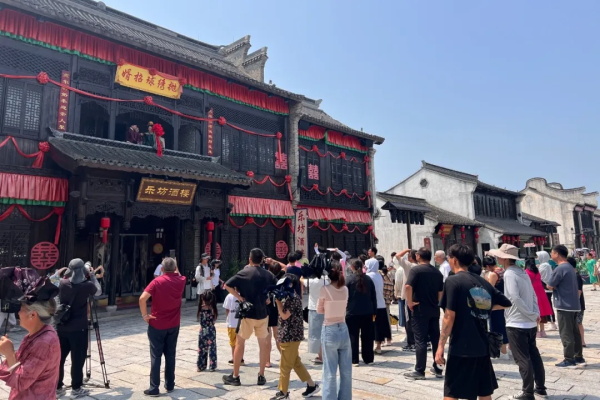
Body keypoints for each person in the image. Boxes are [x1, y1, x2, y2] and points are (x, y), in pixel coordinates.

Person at [435, 244, 512, 400]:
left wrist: (440, 346)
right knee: (484, 392)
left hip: (461, 345)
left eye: (449, 257)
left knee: (452, 392)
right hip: (482, 345)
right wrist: (481, 306)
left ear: (454, 260)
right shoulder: (482, 281)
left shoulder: (452, 281)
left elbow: (449, 316)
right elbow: (505, 303)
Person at [490, 246, 547, 400]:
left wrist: (530, 313)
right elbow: (533, 294)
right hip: (529, 322)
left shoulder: (509, 274)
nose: (498, 259)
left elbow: (514, 298)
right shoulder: (522, 272)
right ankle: (540, 387)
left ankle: (527, 392)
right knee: (533, 355)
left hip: (516, 322)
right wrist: (534, 312)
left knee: (522, 358)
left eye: (499, 256)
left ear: (504, 258)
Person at [223, 248, 277, 386]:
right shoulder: (268, 274)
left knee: (240, 342)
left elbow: (227, 285)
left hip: (247, 313)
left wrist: (239, 297)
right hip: (263, 313)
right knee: (263, 344)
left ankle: (235, 376)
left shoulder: (244, 272)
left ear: (250, 259)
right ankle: (261, 375)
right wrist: (269, 298)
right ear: (262, 260)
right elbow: (277, 287)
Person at [0, 277, 60, 400]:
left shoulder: (44, 342)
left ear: (32, 315)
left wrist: (9, 353)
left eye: (21, 309)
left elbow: (21, 382)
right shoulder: (37, 334)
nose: (18, 313)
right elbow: (22, 365)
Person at [138, 257, 186, 396]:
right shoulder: (181, 280)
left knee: (156, 355)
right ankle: (170, 384)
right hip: (174, 323)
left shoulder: (157, 281)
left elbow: (142, 298)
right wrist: (175, 264)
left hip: (157, 323)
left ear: (162, 269)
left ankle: (154, 387)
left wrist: (144, 315)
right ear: (175, 268)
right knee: (170, 354)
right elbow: (178, 273)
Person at [57, 258, 102, 399]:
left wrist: (61, 272)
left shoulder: (62, 283)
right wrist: (92, 275)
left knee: (59, 358)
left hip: (62, 326)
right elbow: (98, 292)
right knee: (78, 359)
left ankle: (57, 386)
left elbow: (54, 281)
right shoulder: (87, 285)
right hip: (79, 328)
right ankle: (76, 388)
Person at [270, 274, 319, 400]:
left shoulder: (292, 298)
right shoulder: (290, 296)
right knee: (295, 362)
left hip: (290, 336)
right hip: (290, 335)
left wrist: (277, 302)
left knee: (284, 366)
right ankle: (312, 385)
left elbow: (284, 315)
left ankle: (283, 392)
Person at [403, 247, 444, 380]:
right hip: (434, 308)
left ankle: (420, 370)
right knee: (435, 339)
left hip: (420, 308)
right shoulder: (437, 272)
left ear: (419, 256)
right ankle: (438, 368)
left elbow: (408, 286)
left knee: (420, 339)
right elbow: (440, 292)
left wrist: (409, 302)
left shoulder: (416, 270)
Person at [317, 262, 351, 400]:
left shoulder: (325, 289)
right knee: (346, 370)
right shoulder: (345, 289)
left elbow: (319, 310)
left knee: (330, 370)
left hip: (330, 328)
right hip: (343, 327)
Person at [547, 245, 584, 367]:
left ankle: (569, 358)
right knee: (575, 332)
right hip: (574, 304)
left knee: (566, 332)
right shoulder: (569, 267)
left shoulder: (560, 268)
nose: (551, 255)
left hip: (564, 305)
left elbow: (550, 285)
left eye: (552, 252)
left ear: (557, 254)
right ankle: (578, 356)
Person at [345, 259, 377, 366]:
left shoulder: (349, 280)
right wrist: (374, 311)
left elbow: (345, 296)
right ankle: (368, 358)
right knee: (367, 336)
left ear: (352, 267)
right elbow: (373, 297)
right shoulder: (368, 279)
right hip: (367, 311)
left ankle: (354, 359)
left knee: (352, 335)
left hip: (352, 312)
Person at [483, 256, 510, 360]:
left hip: (496, 303)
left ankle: (503, 352)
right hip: (504, 301)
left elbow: (489, 289)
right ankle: (508, 349)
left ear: (487, 266)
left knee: (497, 326)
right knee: (504, 324)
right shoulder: (502, 270)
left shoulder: (494, 274)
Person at [302, 267, 330, 365]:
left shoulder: (311, 281)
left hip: (314, 308)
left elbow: (301, 279)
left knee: (316, 333)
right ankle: (325, 354)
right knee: (325, 332)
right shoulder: (326, 281)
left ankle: (321, 356)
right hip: (325, 308)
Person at [365, 251, 390, 354]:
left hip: (371, 305)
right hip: (381, 304)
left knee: (371, 327)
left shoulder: (368, 276)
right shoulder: (379, 275)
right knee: (379, 326)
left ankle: (371, 346)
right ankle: (378, 346)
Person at [395, 249, 418, 351]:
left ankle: (411, 342)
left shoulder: (409, 266)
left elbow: (397, 256)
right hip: (418, 296)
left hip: (408, 297)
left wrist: (407, 250)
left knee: (409, 320)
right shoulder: (421, 266)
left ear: (410, 258)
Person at [524, 257, 553, 337]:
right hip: (541, 292)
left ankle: (536, 331)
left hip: (533, 292)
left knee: (535, 310)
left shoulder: (526, 272)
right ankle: (542, 331)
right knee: (542, 311)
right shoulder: (537, 271)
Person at [265, 262, 284, 368]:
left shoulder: (265, 279)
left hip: (267, 310)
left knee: (267, 337)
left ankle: (267, 361)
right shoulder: (279, 282)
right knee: (277, 336)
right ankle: (284, 358)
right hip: (276, 309)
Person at [223, 291, 246, 366]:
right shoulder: (243, 295)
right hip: (241, 323)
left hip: (232, 324)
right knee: (241, 342)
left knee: (233, 343)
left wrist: (228, 318)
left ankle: (234, 358)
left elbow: (227, 309)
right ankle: (241, 359)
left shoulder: (229, 296)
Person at [197, 291, 218, 372]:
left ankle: (201, 365)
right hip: (211, 330)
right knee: (212, 348)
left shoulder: (201, 308)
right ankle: (212, 366)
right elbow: (214, 319)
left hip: (203, 330)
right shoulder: (213, 309)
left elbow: (200, 319)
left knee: (202, 348)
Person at [537, 251, 558, 331]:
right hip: (546, 288)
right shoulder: (546, 265)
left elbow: (541, 275)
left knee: (548, 305)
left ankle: (552, 322)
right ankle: (551, 322)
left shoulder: (544, 266)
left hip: (545, 288)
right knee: (548, 304)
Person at [570, 258, 587, 348]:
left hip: (578, 304)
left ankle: (582, 341)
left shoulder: (576, 276)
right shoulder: (574, 275)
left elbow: (578, 291)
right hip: (577, 304)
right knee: (577, 323)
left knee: (578, 323)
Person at [378, 256, 394, 347]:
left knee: (380, 322)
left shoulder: (379, 277)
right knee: (387, 321)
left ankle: (381, 340)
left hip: (380, 301)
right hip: (387, 301)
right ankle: (389, 339)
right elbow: (392, 289)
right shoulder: (389, 276)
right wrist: (390, 299)